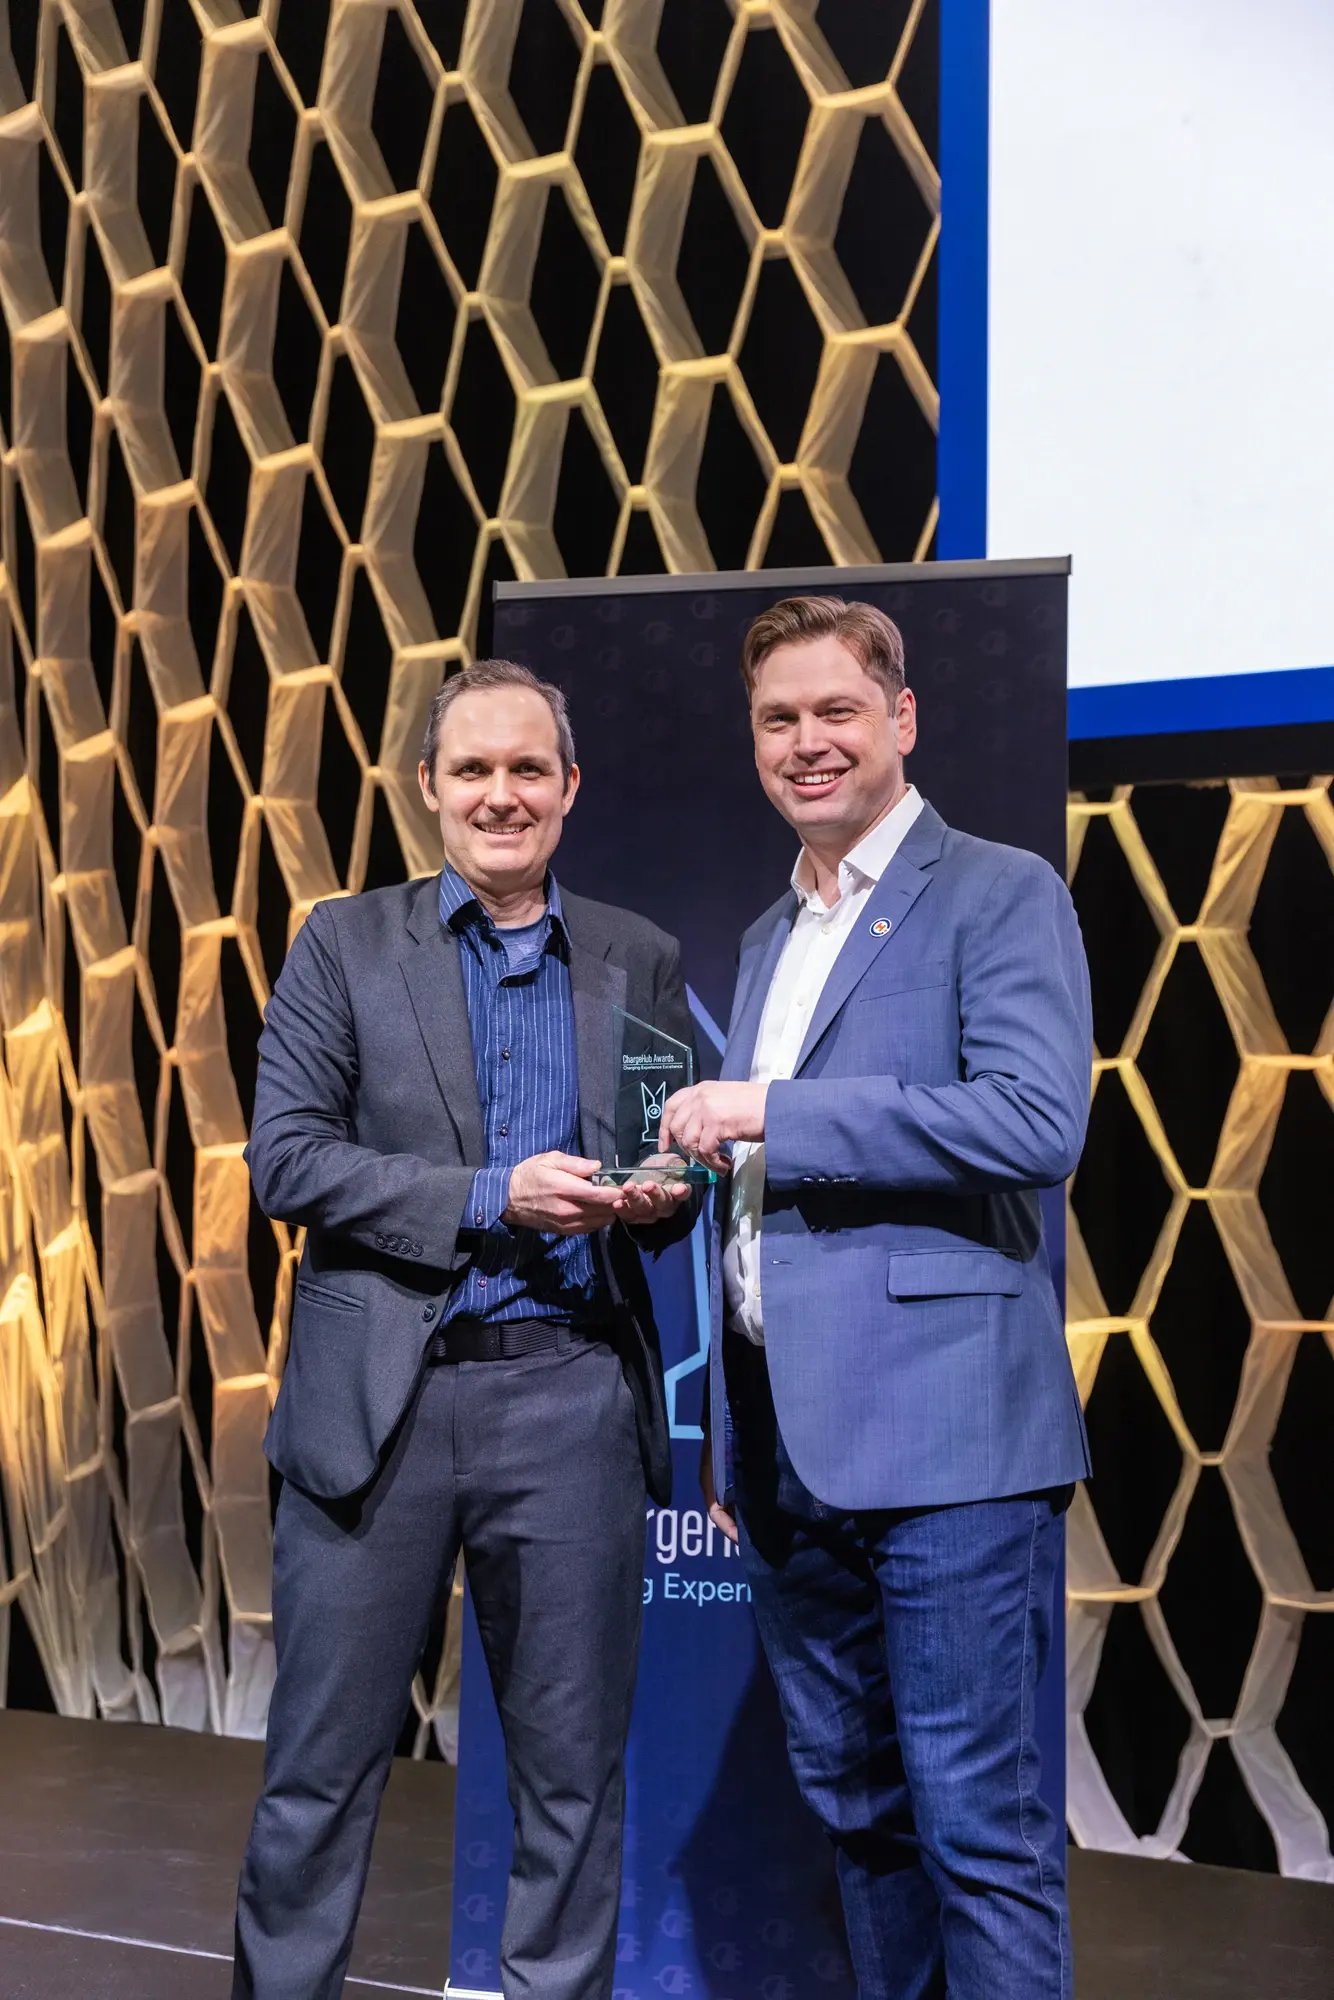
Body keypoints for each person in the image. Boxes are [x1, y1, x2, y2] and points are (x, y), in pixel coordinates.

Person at [232, 660, 697, 2000]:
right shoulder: (342, 943)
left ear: (567, 789)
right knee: (318, 1777)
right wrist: (493, 1194)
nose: (502, 794)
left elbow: (658, 1189)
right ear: (428, 787)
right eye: (473, 770)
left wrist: (661, 1195)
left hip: (568, 1407)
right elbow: (289, 1165)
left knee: (570, 1786)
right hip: (378, 1407)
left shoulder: (637, 955)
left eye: (527, 770)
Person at [659, 595, 1092, 2000]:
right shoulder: (770, 929)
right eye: (777, 719)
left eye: (835, 711)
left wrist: (775, 1109)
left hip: (952, 1446)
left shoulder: (998, 888)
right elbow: (764, 1199)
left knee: (979, 1827)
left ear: (899, 719)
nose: (806, 744)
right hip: (791, 1452)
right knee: (856, 1808)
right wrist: (731, 1419)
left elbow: (1033, 1122)